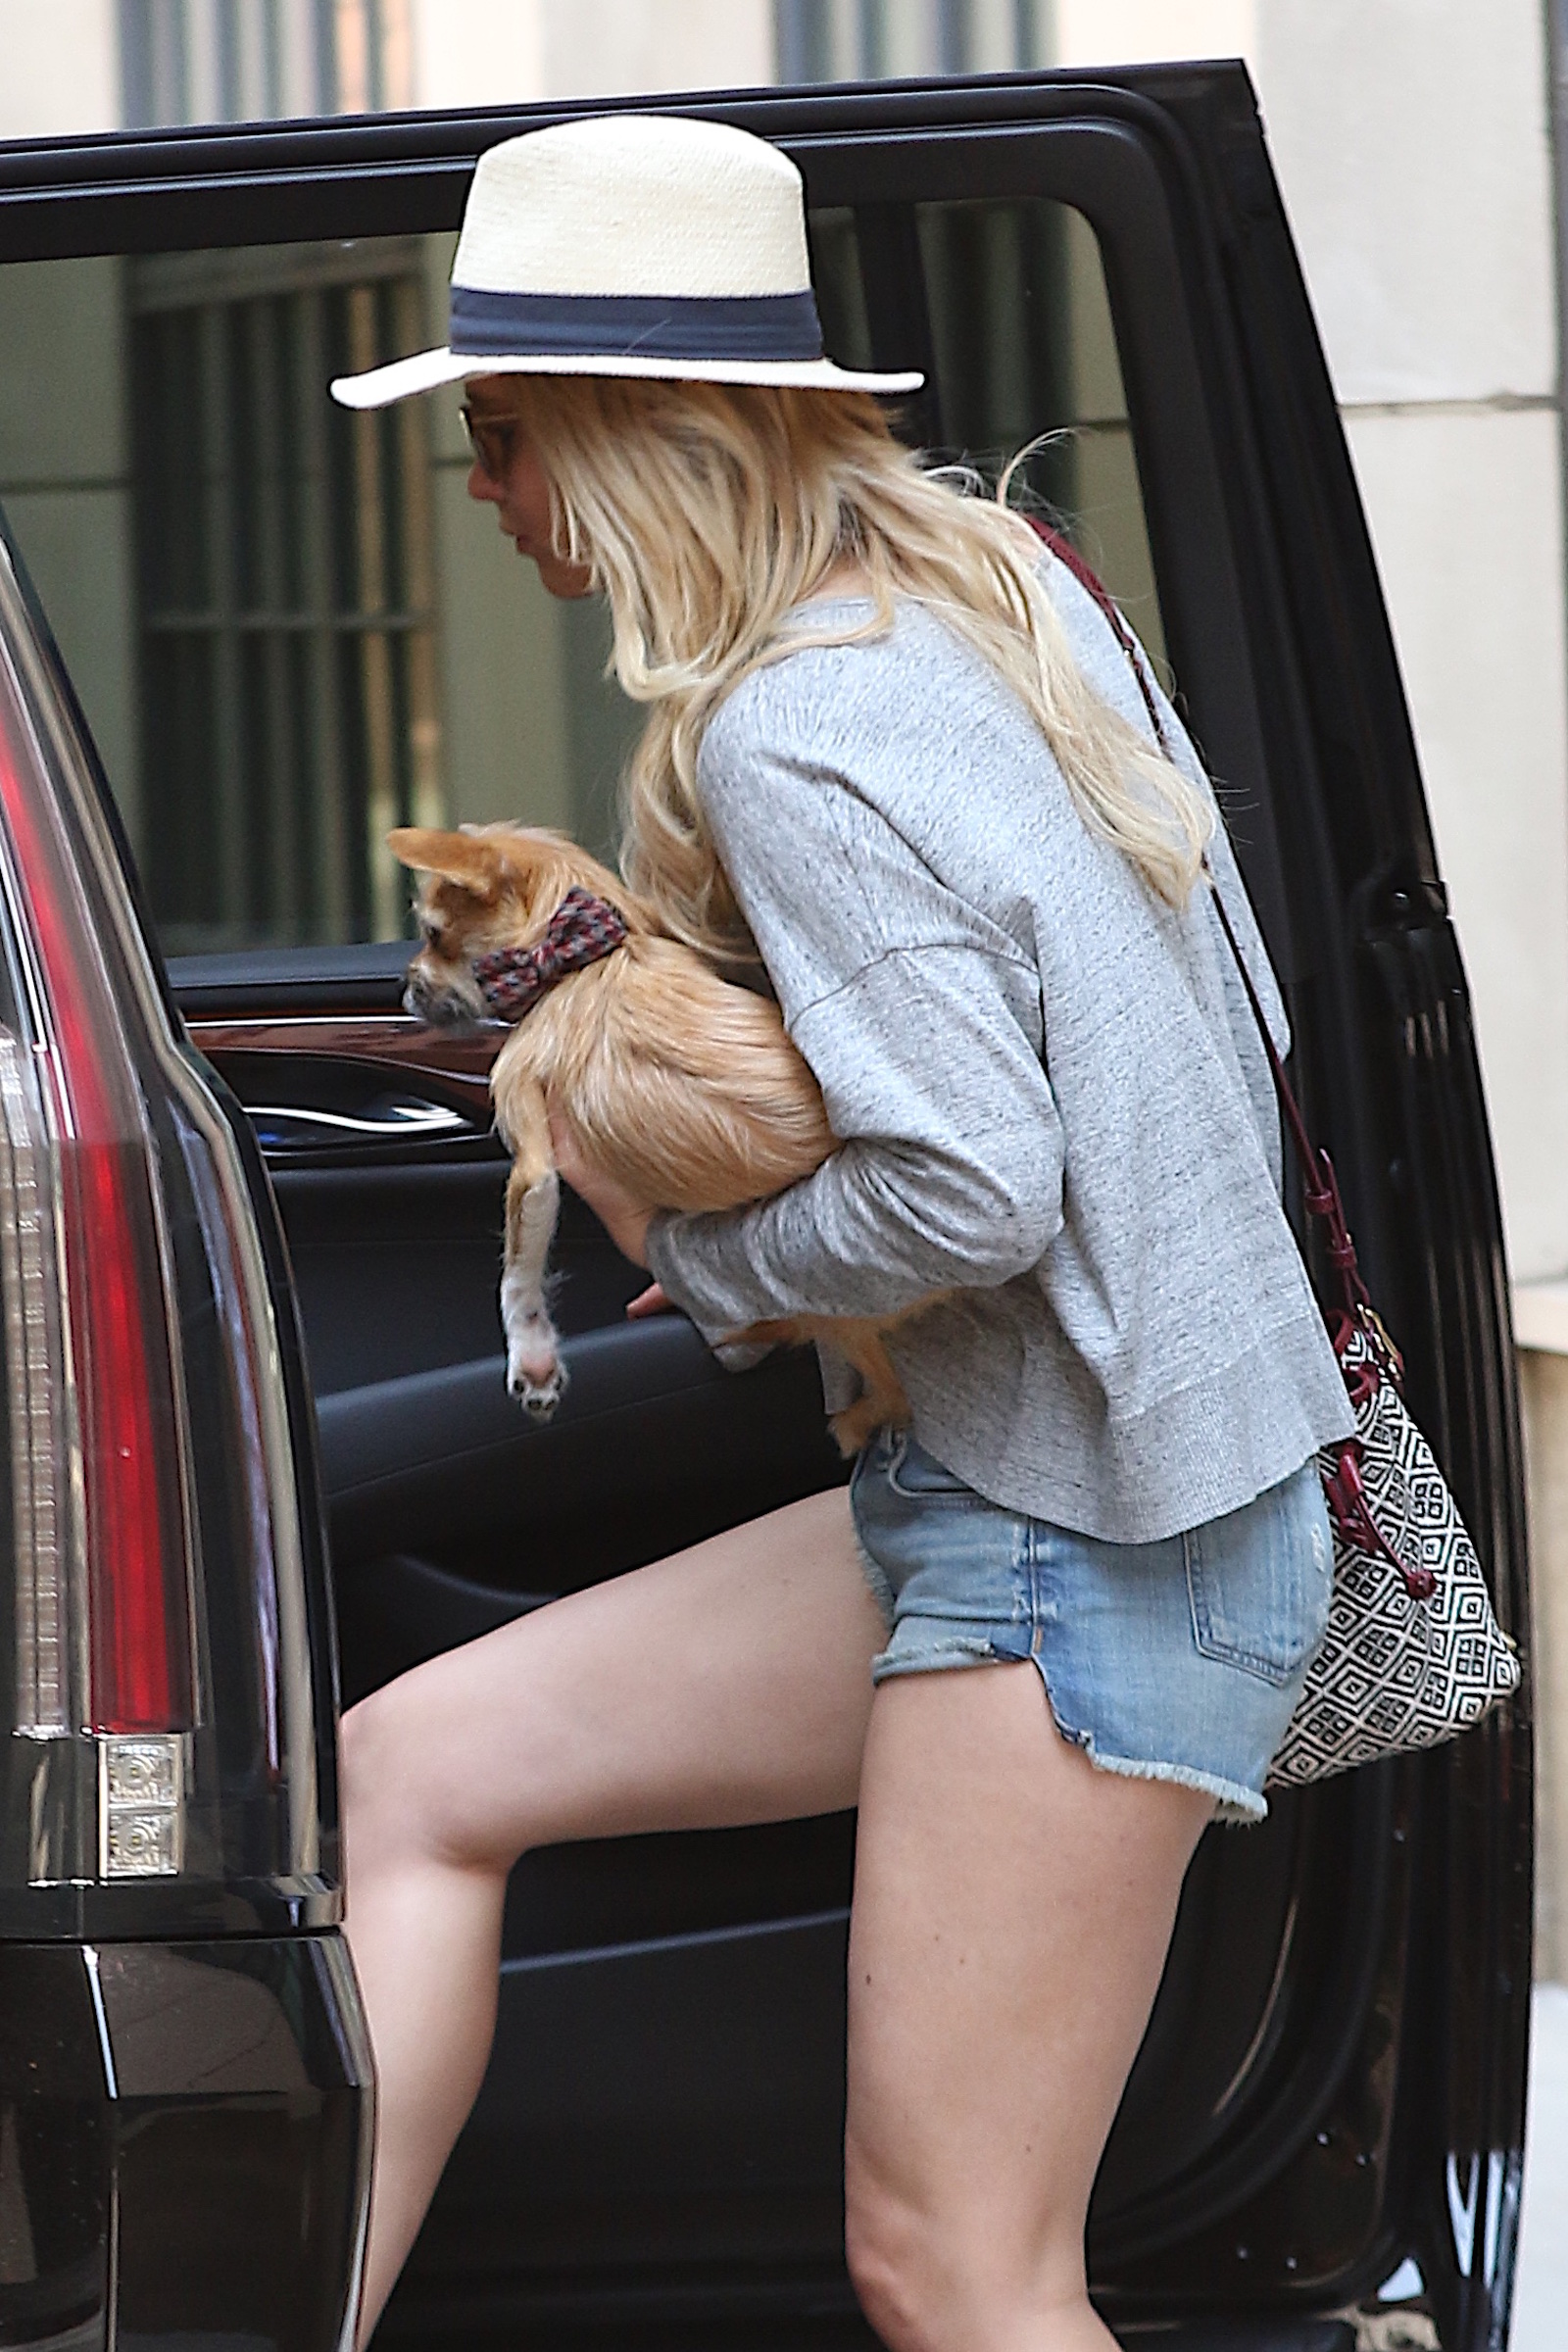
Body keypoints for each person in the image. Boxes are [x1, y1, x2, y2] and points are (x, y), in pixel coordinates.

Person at [330, 112, 1354, 2349]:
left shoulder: (795, 727)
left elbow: (971, 1183)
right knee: (413, 1769)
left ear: (631, 431)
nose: (482, 491)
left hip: (1087, 1535)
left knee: (956, 2270)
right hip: (1044, 1481)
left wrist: (709, 1268)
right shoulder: (1003, 593)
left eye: (502, 436)